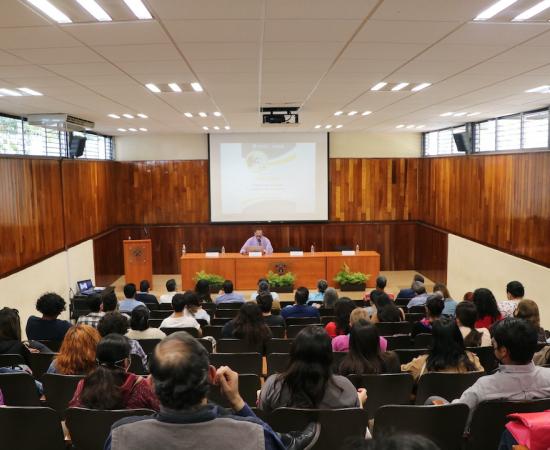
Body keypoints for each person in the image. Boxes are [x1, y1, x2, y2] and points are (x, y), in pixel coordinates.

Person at [105, 332, 318, 450]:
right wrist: (236, 401)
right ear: (211, 374)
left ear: (150, 383)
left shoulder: (120, 437)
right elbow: (272, 442)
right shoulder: (252, 434)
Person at [451, 318, 550, 425]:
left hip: (491, 441)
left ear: (503, 351)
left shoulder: (484, 386)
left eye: (494, 344)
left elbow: (457, 413)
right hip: (541, 440)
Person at [258, 326, 365, 413]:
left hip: (282, 440)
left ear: (294, 353)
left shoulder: (273, 386)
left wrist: (262, 396)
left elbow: (264, 422)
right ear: (329, 356)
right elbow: (354, 424)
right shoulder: (345, 387)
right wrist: (359, 402)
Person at [69, 333, 159, 411]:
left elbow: (74, 413)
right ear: (126, 362)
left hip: (91, 431)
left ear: (97, 361)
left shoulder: (84, 384)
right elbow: (158, 411)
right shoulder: (140, 385)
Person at [401, 318, 483, 382]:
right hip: (463, 402)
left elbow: (401, 372)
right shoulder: (472, 361)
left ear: (434, 340)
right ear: (458, 337)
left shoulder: (422, 364)